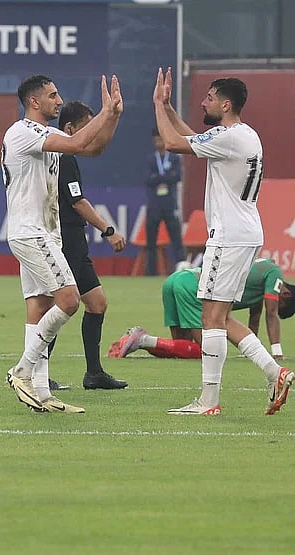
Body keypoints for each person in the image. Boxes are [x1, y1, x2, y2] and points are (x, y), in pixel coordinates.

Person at [153, 67, 292, 415]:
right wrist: (169, 108)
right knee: (223, 317)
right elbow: (193, 139)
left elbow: (173, 143)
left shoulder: (230, 138)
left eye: (210, 98)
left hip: (229, 235)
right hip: (244, 232)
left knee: (211, 317)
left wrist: (157, 105)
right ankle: (274, 372)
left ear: (226, 105)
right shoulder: (243, 135)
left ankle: (209, 401)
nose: (204, 102)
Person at [2, 74, 123, 414]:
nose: (59, 100)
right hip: (32, 232)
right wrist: (104, 111)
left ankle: (42, 394)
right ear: (34, 101)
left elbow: (90, 147)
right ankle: (22, 371)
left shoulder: (46, 136)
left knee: (39, 308)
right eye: (53, 95)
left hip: (43, 232)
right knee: (69, 301)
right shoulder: (23, 132)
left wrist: (112, 116)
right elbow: (78, 143)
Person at [53, 101, 128, 390]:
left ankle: (94, 374)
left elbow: (97, 147)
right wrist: (108, 230)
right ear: (70, 129)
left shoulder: (68, 152)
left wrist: (113, 116)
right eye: (88, 127)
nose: (92, 132)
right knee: (59, 306)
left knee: (97, 303)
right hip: (65, 238)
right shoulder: (62, 156)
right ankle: (35, 371)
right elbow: (77, 201)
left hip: (76, 238)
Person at [109, 259, 295, 359]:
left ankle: (139, 342)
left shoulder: (259, 280)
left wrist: (251, 352)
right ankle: (142, 340)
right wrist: (276, 351)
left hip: (177, 278)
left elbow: (255, 319)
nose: (272, 305)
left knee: (182, 348)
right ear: (285, 294)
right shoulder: (274, 272)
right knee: (205, 352)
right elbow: (271, 314)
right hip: (193, 287)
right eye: (280, 305)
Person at [144, 127, 188, 275]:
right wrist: (166, 177)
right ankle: (151, 273)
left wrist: (159, 178)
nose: (158, 143)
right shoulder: (151, 159)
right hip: (154, 206)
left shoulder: (174, 158)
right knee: (151, 243)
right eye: (156, 140)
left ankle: (182, 271)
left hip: (170, 205)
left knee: (176, 241)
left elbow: (177, 176)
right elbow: (148, 179)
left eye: (160, 139)